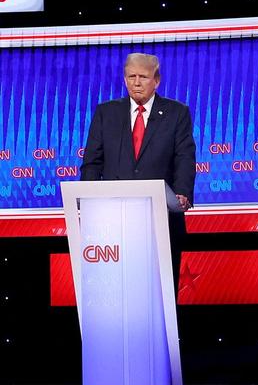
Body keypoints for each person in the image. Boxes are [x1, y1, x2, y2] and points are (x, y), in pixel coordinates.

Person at [80, 52, 196, 292]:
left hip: (161, 219)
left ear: (157, 80)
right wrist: (90, 201)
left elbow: (184, 156)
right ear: (124, 79)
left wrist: (182, 192)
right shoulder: (106, 113)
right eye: (131, 76)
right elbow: (92, 162)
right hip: (113, 221)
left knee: (160, 290)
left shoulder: (177, 113)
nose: (136, 82)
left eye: (143, 76)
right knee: (117, 289)